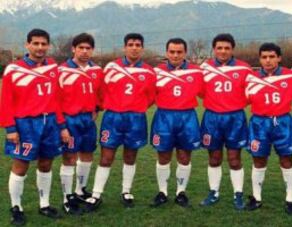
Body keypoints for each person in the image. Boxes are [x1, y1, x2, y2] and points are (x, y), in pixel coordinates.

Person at [0, 28, 69, 225]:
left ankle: (44, 204)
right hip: (25, 124)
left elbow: (56, 99)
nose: (40, 47)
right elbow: (6, 102)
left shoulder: (53, 67)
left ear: (48, 45)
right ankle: (16, 207)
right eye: (35, 43)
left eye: (43, 44)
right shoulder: (14, 69)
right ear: (27, 45)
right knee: (21, 165)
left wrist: (62, 125)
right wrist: (10, 129)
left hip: (50, 123)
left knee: (46, 164)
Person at [85, 33, 156, 211]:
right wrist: (102, 107)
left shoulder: (148, 70)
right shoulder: (111, 67)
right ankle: (96, 194)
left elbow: (151, 97)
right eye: (131, 44)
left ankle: (126, 191)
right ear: (124, 47)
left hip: (136, 119)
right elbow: (101, 91)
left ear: (142, 48)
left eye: (138, 44)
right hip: (113, 118)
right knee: (106, 156)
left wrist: (136, 107)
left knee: (130, 156)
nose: (134, 47)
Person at [199, 33, 252, 210]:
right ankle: (214, 192)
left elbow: (251, 93)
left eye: (227, 48)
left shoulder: (244, 68)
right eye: (219, 48)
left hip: (235, 118)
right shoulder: (204, 68)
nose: (223, 51)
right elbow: (200, 91)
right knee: (214, 158)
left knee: (234, 158)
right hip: (212, 118)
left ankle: (238, 193)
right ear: (214, 49)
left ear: (232, 49)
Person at [245, 43, 292, 214]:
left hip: (282, 122)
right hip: (259, 123)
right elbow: (243, 99)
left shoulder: (291, 76)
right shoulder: (251, 78)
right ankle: (256, 197)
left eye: (272, 56)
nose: (268, 60)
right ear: (260, 59)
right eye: (264, 57)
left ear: (279, 58)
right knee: (259, 160)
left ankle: (290, 198)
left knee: (286, 159)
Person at [150, 38, 203, 207]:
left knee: (184, 156)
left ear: (185, 53)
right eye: (172, 52)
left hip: (187, 117)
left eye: (179, 52)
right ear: (167, 53)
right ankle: (162, 192)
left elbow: (205, 93)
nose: (175, 55)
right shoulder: (156, 71)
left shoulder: (196, 72)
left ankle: (181, 192)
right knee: (163, 155)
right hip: (164, 117)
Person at [58, 33, 103, 214]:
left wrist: (97, 109)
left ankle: (80, 190)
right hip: (70, 120)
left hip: (88, 120)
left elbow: (100, 94)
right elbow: (55, 100)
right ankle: (67, 197)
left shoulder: (97, 71)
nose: (84, 51)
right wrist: (62, 125)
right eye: (81, 48)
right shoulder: (62, 71)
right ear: (73, 49)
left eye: (88, 48)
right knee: (69, 158)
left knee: (87, 154)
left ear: (92, 50)